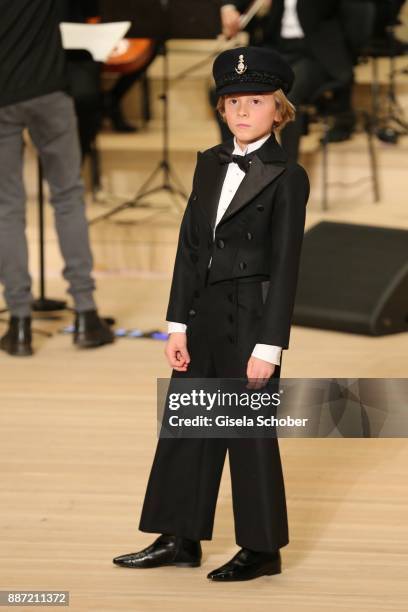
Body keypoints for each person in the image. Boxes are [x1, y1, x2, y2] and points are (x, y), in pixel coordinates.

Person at [113, 46, 310, 581]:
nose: (242, 111)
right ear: (220, 109)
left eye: (255, 100)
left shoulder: (288, 177)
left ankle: (262, 548)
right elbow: (189, 248)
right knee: (187, 426)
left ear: (278, 108)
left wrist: (269, 347)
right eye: (232, 101)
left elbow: (287, 268)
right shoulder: (207, 164)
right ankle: (179, 537)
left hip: (251, 320)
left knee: (249, 435)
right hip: (202, 314)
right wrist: (177, 321)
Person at [0, 0, 114, 356]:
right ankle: (85, 313)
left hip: (2, 94)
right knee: (67, 198)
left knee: (7, 208)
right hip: (50, 90)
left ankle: (19, 323)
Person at [215, 0, 355, 159]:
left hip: (315, 52)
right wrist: (229, 8)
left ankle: (287, 172)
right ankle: (236, 160)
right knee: (227, 88)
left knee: (288, 95)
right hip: (275, 47)